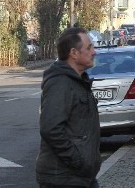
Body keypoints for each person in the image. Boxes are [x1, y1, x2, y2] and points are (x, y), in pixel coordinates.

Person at [36, 27, 101, 188]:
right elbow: (51, 129)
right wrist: (78, 161)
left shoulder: (77, 81)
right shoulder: (61, 83)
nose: (94, 52)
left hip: (81, 177)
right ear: (74, 53)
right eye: (89, 48)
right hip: (64, 179)